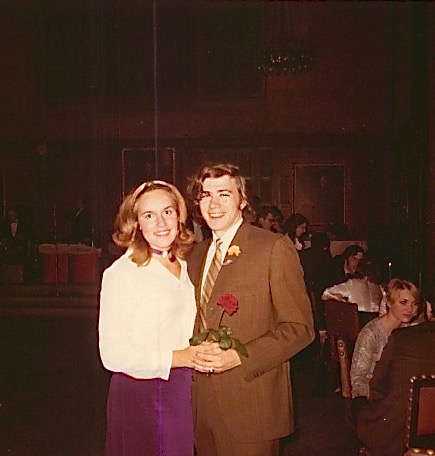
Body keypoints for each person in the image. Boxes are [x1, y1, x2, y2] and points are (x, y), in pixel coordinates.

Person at [186, 163, 315, 456]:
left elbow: (300, 328)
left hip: (251, 405)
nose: (214, 203)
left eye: (224, 194)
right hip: (201, 409)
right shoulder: (195, 254)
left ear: (242, 200)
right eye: (206, 195)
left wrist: (238, 357)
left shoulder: (273, 248)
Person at [98, 180, 203, 456]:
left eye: (167, 212)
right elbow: (111, 354)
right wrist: (182, 357)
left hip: (183, 389)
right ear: (136, 224)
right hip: (142, 392)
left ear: (179, 215)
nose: (161, 223)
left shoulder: (185, 263)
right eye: (149, 215)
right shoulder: (123, 273)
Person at [355, 317, 435, 456]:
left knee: (358, 408)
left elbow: (377, 388)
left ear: (427, 308)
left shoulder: (402, 338)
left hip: (397, 437)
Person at [350, 278, 420, 400]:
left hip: (397, 396)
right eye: (403, 302)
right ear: (389, 302)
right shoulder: (371, 333)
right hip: (373, 397)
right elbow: (358, 378)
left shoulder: (410, 331)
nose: (409, 309)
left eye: (413, 304)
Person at [321, 257, 387, 328]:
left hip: (356, 327)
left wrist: (345, 304)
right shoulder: (380, 289)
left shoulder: (352, 283)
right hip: (376, 326)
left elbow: (326, 293)